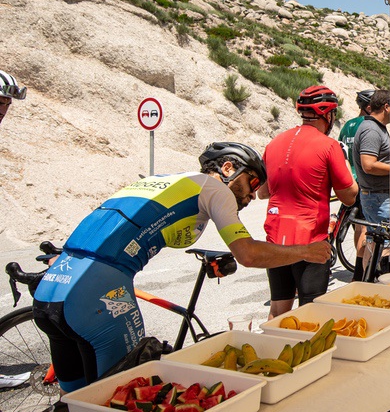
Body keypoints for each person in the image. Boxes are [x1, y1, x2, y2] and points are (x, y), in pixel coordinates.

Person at [32, 142, 332, 392]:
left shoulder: (164, 181)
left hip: (55, 286)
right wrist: (307, 251)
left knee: (72, 405)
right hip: (98, 293)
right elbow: (249, 254)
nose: (252, 195)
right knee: (116, 401)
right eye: (252, 183)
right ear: (228, 168)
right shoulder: (215, 189)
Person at [259, 86, 358, 319]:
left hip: (276, 237)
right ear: (329, 114)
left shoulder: (274, 143)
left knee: (278, 309)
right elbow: (349, 196)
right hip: (310, 238)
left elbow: (263, 192)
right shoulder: (329, 146)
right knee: (311, 312)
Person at [351, 90, 390, 274]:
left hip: (376, 196)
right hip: (378, 198)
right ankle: (383, 281)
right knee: (387, 244)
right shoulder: (372, 130)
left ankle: (368, 280)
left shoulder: (375, 128)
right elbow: (368, 164)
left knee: (373, 242)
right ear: (387, 107)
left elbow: (381, 157)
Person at [338, 88, 375, 275]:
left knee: (357, 228)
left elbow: (340, 150)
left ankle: (360, 267)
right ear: (368, 107)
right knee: (364, 228)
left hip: (347, 179)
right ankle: (362, 272)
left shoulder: (348, 125)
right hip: (364, 181)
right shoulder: (371, 125)